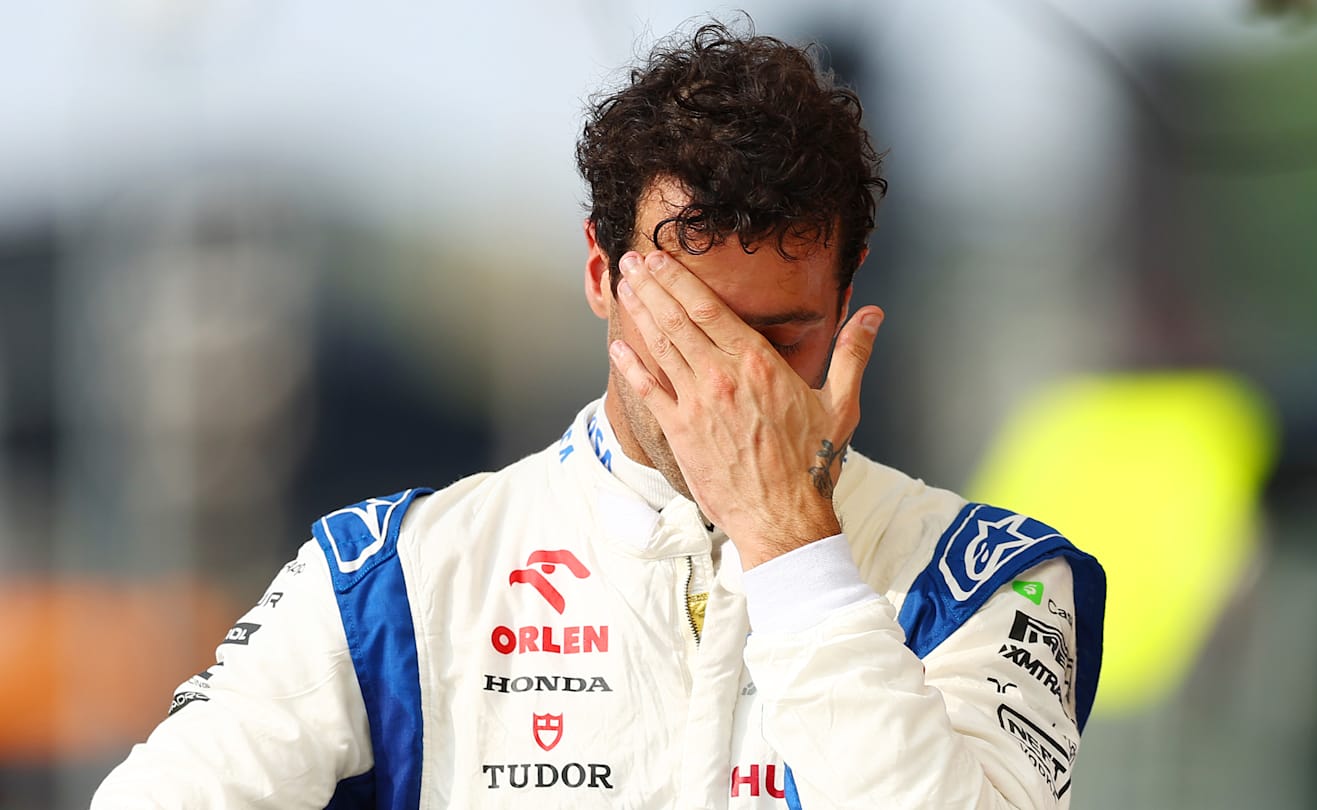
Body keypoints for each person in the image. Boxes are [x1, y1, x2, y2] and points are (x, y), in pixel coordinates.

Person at [93, 19, 1104, 810]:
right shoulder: (393, 574)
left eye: (781, 336)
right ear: (599, 275)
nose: (735, 384)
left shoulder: (992, 579)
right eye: (695, 326)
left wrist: (793, 546)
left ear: (849, 299)